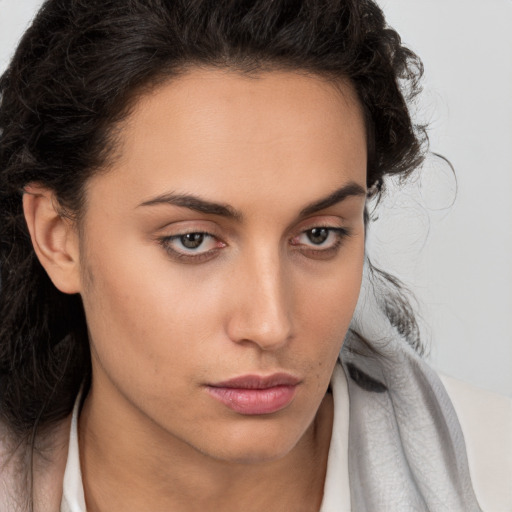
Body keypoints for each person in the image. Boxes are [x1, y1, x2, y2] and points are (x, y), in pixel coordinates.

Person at [0, 1, 510, 511]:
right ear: (57, 236)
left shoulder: (497, 475)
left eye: (318, 235)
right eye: (193, 240)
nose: (271, 325)